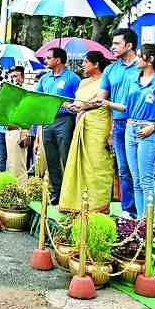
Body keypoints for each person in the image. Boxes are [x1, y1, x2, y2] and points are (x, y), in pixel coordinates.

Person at [102, 44, 155, 233]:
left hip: (148, 130)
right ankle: (140, 220)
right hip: (130, 128)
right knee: (135, 178)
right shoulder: (134, 80)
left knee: (146, 177)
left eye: (140, 57)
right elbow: (126, 106)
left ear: (150, 60)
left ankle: (151, 218)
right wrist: (107, 103)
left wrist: (154, 126)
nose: (137, 60)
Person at [59, 51, 114, 213]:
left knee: (98, 164)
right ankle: (77, 204)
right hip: (82, 124)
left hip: (100, 124)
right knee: (80, 164)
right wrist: (69, 106)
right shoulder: (83, 83)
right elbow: (78, 104)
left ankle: (99, 206)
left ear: (96, 64)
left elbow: (103, 103)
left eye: (85, 62)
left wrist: (110, 132)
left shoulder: (107, 81)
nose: (82, 65)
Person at [97, 28, 143, 219]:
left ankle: (152, 212)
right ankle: (129, 209)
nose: (112, 47)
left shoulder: (143, 66)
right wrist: (81, 106)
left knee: (143, 171)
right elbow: (101, 97)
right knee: (124, 169)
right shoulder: (110, 69)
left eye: (117, 43)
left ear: (129, 45)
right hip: (118, 124)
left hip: (141, 124)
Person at [34, 47, 81, 204]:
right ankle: (57, 191)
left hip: (65, 120)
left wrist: (70, 105)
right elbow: (37, 97)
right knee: (51, 158)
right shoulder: (45, 78)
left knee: (66, 156)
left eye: (48, 58)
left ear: (58, 60)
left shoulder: (73, 78)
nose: (45, 60)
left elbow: (80, 101)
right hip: (48, 120)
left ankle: (71, 193)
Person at [4, 67, 32, 184]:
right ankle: (13, 192)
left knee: (18, 165)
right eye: (12, 76)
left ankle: (21, 192)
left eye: (16, 76)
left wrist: (25, 132)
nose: (13, 79)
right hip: (9, 131)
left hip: (20, 130)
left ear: (23, 77)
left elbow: (29, 115)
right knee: (11, 164)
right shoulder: (11, 93)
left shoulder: (25, 93)